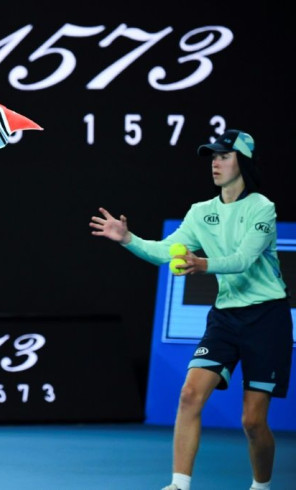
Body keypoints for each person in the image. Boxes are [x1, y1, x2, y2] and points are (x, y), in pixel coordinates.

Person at [89, 129, 293, 490]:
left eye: (223, 156)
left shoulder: (262, 207)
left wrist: (201, 265)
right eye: (212, 157)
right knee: (188, 394)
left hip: (267, 319)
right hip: (226, 317)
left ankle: (262, 486)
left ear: (242, 161)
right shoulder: (201, 212)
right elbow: (165, 251)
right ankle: (179, 485)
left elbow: (243, 260)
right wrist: (128, 239)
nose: (215, 163)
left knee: (252, 422)